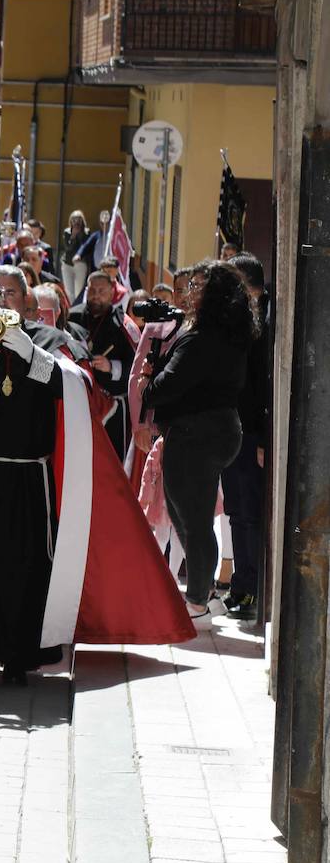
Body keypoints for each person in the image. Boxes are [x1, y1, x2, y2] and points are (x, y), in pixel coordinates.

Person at [0, 277, 195, 685]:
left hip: (28, 480)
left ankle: (16, 658)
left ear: (27, 302)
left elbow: (82, 392)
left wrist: (27, 353)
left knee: (24, 570)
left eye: (11, 294)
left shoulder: (50, 341)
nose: (4, 302)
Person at [139, 260, 258, 620]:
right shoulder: (232, 333)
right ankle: (198, 594)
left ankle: (196, 602)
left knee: (192, 520)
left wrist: (150, 383)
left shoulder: (202, 337)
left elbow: (170, 383)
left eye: (197, 286)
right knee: (192, 518)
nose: (190, 292)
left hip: (196, 434)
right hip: (220, 430)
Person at [216, 255, 269, 620]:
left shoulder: (266, 322)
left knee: (249, 514)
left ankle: (250, 589)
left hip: (252, 434)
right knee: (236, 512)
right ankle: (239, 583)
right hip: (232, 431)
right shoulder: (237, 318)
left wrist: (265, 437)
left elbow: (265, 384)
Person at [69, 271, 136, 458]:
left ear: (112, 292)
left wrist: (112, 366)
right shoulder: (72, 317)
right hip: (79, 404)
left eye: (102, 291)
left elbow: (136, 366)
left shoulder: (123, 324)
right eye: (92, 290)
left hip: (112, 409)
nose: (96, 296)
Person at [57, 211, 91, 301]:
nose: (76, 222)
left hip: (80, 264)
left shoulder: (86, 233)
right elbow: (68, 248)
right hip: (67, 263)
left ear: (82, 221)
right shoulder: (67, 232)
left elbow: (84, 247)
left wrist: (79, 235)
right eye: (74, 219)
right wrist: (73, 236)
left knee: (78, 290)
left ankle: (77, 309)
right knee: (69, 291)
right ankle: (71, 311)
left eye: (78, 220)